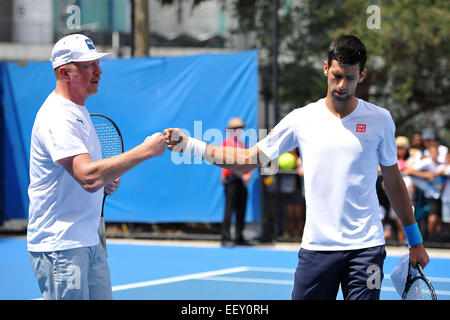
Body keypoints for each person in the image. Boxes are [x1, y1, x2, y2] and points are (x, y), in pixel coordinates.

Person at [164, 35, 429, 300]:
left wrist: (415, 240)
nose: (341, 84)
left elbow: (393, 183)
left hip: (366, 248)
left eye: (350, 78)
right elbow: (247, 159)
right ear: (326, 68)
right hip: (316, 248)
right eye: (336, 75)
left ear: (362, 75)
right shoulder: (301, 119)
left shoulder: (380, 120)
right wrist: (190, 144)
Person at [27, 34, 166, 300]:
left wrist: (107, 179)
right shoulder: (57, 116)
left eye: (97, 64)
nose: (99, 71)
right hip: (62, 245)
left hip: (88, 240)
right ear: (65, 72)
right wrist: (146, 151)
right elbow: (87, 176)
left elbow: (92, 175)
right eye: (89, 65)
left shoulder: (78, 112)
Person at [220, 118, 253, 245]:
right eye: (235, 129)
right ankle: (225, 237)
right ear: (230, 130)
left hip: (241, 181)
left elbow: (247, 162)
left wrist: (248, 174)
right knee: (229, 208)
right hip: (232, 179)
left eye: (239, 128)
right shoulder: (228, 142)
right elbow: (230, 164)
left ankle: (239, 236)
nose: (238, 131)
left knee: (241, 208)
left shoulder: (242, 144)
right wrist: (242, 176)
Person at [408, 143, 444, 239]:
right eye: (432, 152)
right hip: (428, 196)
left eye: (436, 152)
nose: (434, 154)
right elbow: (409, 171)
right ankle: (430, 240)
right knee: (431, 219)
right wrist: (426, 175)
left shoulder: (441, 163)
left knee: (439, 221)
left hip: (441, 196)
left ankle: (437, 240)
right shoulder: (427, 162)